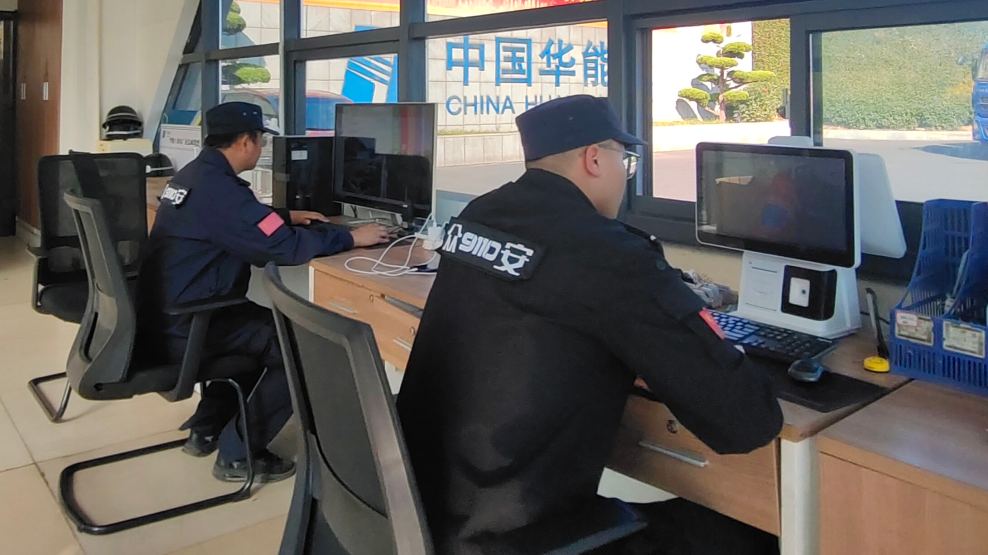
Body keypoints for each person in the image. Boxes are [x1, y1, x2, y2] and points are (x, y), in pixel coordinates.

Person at [396, 95, 784, 555]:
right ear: (595, 158)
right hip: (513, 538)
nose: (625, 175)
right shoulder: (607, 253)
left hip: (419, 511)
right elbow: (746, 421)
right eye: (626, 161)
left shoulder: (480, 214)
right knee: (761, 533)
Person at [136, 101, 391, 483]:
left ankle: (206, 429)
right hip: (191, 323)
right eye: (260, 140)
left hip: (170, 315)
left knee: (261, 334)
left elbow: (238, 221)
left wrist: (285, 216)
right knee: (298, 345)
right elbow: (283, 248)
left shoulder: (196, 175)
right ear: (245, 141)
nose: (260, 147)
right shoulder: (221, 190)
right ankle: (237, 454)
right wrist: (352, 237)